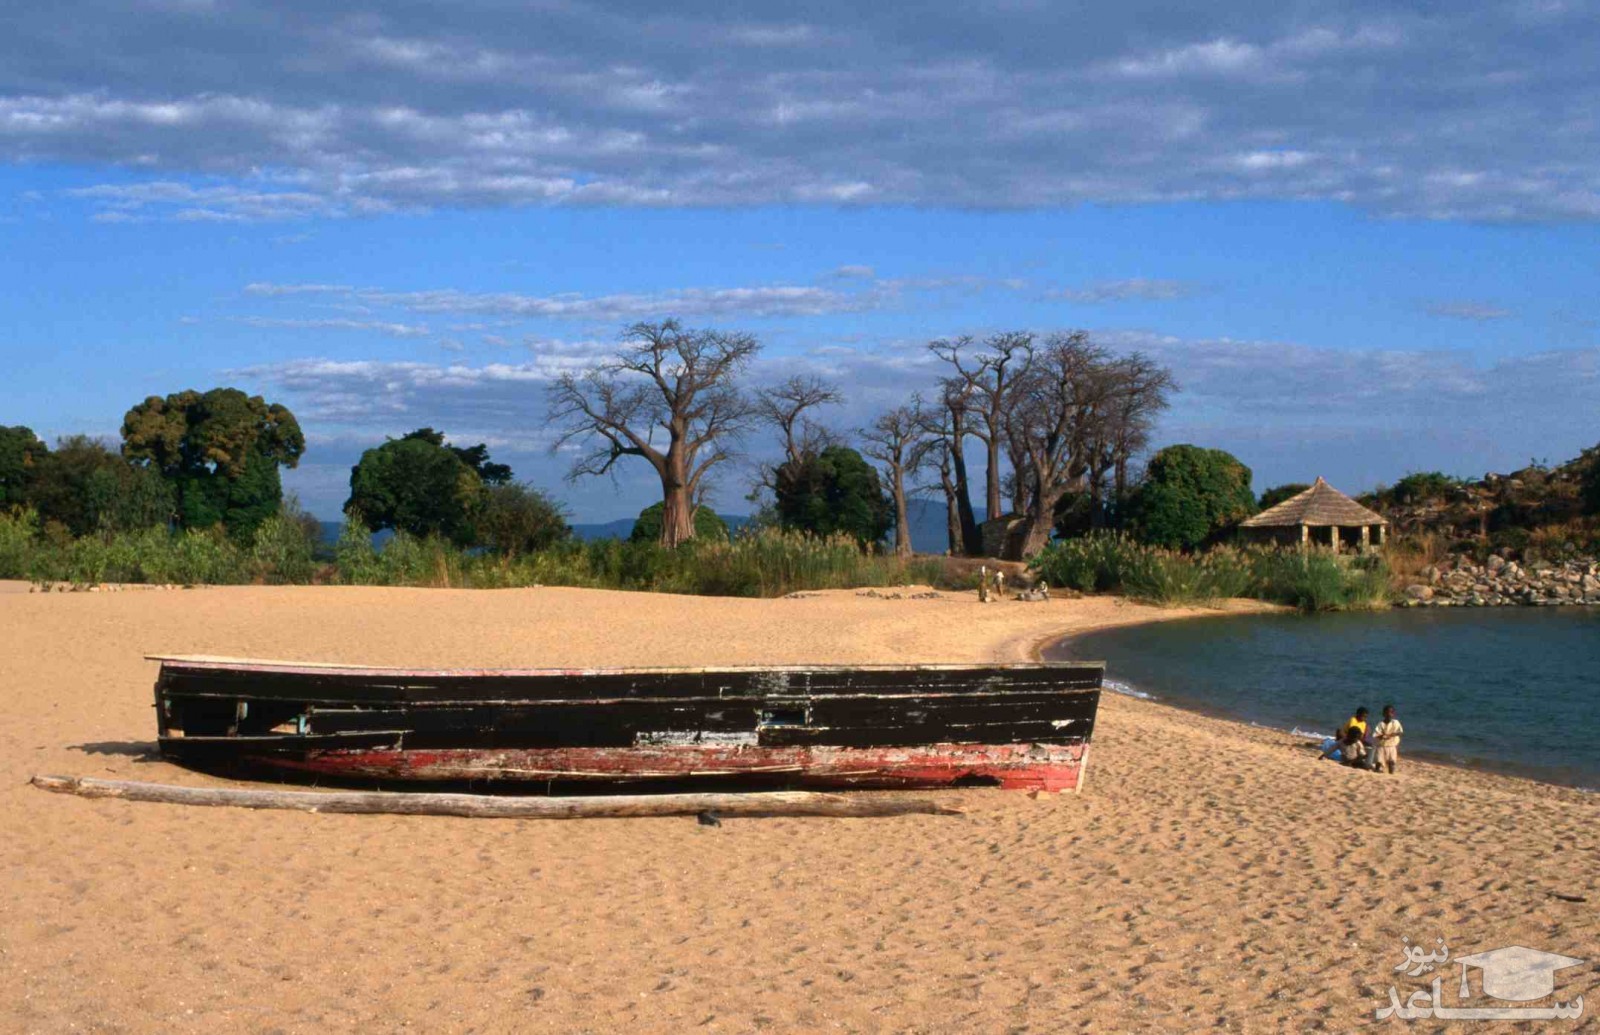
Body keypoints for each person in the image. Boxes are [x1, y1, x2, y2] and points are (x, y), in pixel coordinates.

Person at [1372, 704, 1403, 774]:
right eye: (1387, 713)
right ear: (1383, 714)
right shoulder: (1380, 724)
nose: (1389, 714)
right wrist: (1382, 736)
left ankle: (1391, 773)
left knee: (1391, 761)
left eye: (1391, 712)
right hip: (1381, 745)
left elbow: (1400, 732)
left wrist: (1393, 734)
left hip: (1392, 745)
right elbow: (1375, 734)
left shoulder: (1396, 723)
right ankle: (1376, 771)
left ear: (1393, 714)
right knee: (1379, 761)